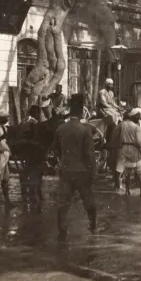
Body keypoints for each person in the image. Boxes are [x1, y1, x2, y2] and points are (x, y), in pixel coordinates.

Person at [51, 94, 97, 240]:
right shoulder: (85, 130)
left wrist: (62, 160)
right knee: (88, 200)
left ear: (70, 110)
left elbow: (55, 149)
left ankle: (62, 230)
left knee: (63, 203)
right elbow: (89, 154)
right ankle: (93, 226)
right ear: (82, 111)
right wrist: (93, 172)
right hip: (82, 172)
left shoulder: (61, 129)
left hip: (66, 171)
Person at [117, 108, 141, 195]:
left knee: (127, 171)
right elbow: (139, 142)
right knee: (140, 172)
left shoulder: (123, 124)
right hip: (134, 150)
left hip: (124, 149)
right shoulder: (136, 127)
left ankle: (127, 190)